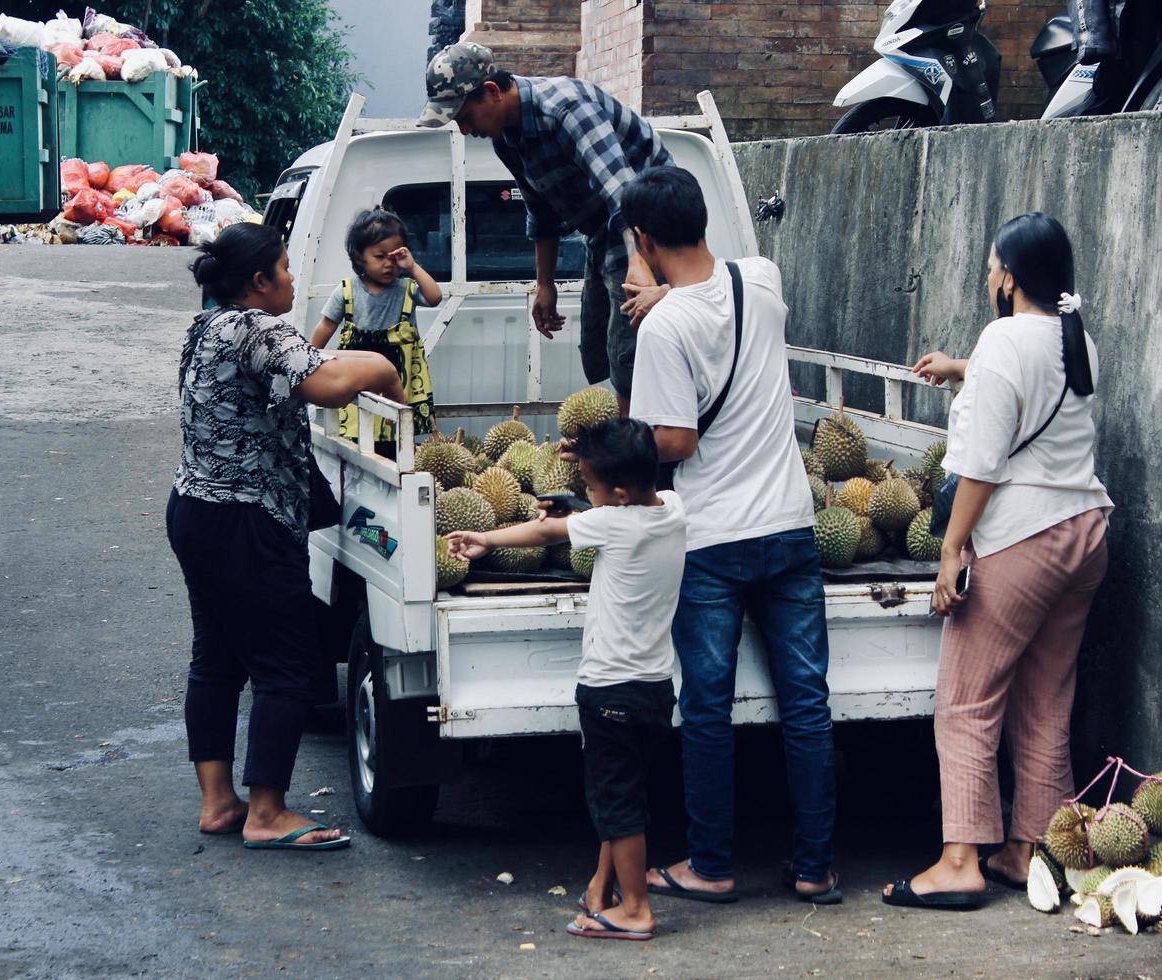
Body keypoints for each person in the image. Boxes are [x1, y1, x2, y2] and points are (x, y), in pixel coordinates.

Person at [622, 166, 841, 905]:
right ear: (704, 219)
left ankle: (711, 865)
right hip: (788, 526)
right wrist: (664, 284)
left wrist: (609, 454)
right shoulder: (763, 279)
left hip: (711, 540)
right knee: (807, 702)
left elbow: (676, 440)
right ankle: (816, 868)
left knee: (708, 707)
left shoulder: (664, 328)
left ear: (644, 240)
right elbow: (711, 288)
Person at [883, 213, 1113, 910]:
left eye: (992, 267)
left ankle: (959, 860)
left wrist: (951, 549)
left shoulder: (1003, 336)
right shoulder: (1079, 340)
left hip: (1024, 536)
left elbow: (982, 464)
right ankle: (1030, 849)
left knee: (966, 702)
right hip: (1086, 532)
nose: (989, 277)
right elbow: (1035, 397)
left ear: (1010, 276)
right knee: (1045, 700)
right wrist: (964, 372)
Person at [166, 223, 405, 850]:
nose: (294, 280)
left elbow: (318, 362)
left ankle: (219, 803)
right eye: (285, 269)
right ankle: (267, 813)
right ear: (258, 282)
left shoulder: (208, 326)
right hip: (248, 520)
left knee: (216, 657)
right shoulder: (259, 328)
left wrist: (369, 364)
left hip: (194, 509)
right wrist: (381, 365)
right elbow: (323, 382)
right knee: (287, 664)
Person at [446, 418, 686, 942]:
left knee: (616, 804)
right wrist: (588, 503)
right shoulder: (672, 507)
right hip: (654, 687)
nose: (586, 496)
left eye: (592, 488)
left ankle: (636, 910)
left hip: (609, 690)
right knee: (623, 795)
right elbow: (610, 510)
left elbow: (545, 531)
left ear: (618, 495)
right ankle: (603, 888)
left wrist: (484, 538)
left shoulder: (611, 524)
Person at [417, 41, 673, 414]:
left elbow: (623, 193)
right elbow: (541, 210)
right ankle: (625, 439)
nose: (464, 129)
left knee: (629, 349)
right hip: (604, 231)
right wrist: (544, 283)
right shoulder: (506, 137)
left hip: (651, 224)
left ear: (491, 92)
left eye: (465, 117)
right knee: (597, 346)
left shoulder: (567, 108)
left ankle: (642, 454)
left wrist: (640, 261)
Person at [311, 206, 442, 445]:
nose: (389, 264)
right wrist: (309, 361)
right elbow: (325, 326)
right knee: (356, 431)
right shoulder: (347, 291)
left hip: (400, 382)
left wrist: (412, 267)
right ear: (360, 257)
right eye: (380, 257)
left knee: (397, 436)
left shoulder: (406, 290)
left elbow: (435, 297)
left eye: (394, 258)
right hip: (357, 379)